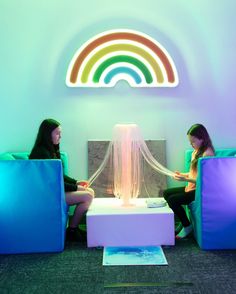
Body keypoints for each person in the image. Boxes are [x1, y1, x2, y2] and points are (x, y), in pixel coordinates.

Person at [29, 118, 94, 242]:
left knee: (89, 191)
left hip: (53, 191)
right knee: (88, 196)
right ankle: (72, 230)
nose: (60, 136)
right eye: (57, 133)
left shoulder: (50, 150)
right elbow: (52, 182)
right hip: (47, 195)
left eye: (60, 133)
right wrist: (76, 187)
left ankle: (73, 228)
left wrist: (76, 182)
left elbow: (58, 175)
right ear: (48, 134)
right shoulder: (41, 153)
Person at [163, 123, 215, 239]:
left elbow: (205, 180)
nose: (191, 145)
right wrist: (182, 174)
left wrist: (185, 179)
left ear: (202, 139)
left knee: (173, 200)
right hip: (191, 187)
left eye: (193, 142)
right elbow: (194, 173)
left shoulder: (207, 154)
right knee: (166, 193)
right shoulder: (195, 152)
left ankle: (187, 226)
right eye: (190, 142)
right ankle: (183, 221)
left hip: (199, 191)